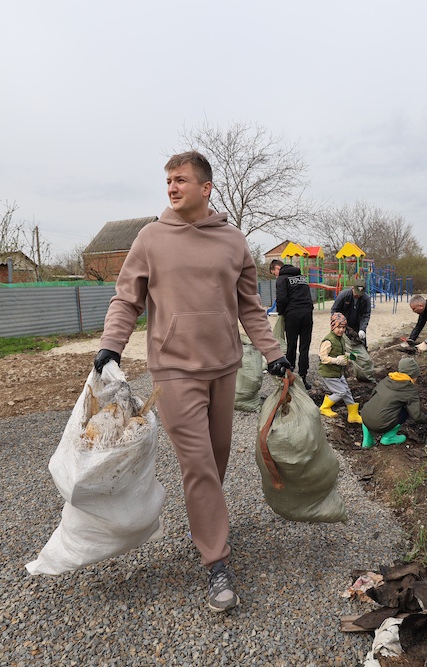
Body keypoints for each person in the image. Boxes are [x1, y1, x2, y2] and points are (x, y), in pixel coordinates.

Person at [94, 151, 291, 614]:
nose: (171, 187)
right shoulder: (149, 239)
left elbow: (250, 308)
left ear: (206, 188)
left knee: (218, 458)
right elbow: (126, 300)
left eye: (180, 180)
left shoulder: (233, 241)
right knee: (199, 465)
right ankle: (216, 561)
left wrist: (275, 355)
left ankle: (206, 517)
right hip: (174, 369)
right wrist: (111, 345)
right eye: (167, 181)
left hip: (224, 366)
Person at [360, 357, 427, 448]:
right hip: (380, 424)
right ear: (413, 376)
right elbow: (416, 416)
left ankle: (367, 440)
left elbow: (373, 395)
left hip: (364, 417)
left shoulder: (387, 379)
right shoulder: (410, 391)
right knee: (405, 411)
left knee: (373, 406)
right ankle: (388, 438)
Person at [269, 259, 314, 390]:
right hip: (307, 313)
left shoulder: (282, 279)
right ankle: (303, 377)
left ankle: (290, 375)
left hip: (293, 315)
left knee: (291, 345)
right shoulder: (301, 277)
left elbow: (281, 299)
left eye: (274, 273)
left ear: (277, 268)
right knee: (305, 347)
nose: (275, 276)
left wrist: (281, 313)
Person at [317, 312, 363, 424]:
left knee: (347, 391)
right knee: (341, 392)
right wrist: (335, 360)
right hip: (329, 373)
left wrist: (350, 356)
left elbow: (340, 352)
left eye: (343, 327)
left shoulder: (341, 339)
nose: (341, 330)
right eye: (338, 327)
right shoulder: (328, 341)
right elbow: (323, 357)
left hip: (338, 372)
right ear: (333, 326)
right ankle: (324, 407)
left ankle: (353, 414)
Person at [330, 278, 371, 345]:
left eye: (360, 294)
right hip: (342, 325)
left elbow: (366, 315)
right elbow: (334, 310)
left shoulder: (366, 299)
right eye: (356, 293)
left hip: (357, 325)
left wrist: (362, 329)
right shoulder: (343, 295)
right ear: (353, 288)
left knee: (361, 345)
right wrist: (339, 325)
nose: (358, 296)